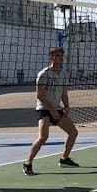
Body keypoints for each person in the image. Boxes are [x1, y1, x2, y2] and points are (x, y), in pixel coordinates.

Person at [23, 47, 79, 175]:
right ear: (51, 57)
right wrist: (52, 109)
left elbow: (64, 94)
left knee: (73, 132)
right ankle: (28, 163)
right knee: (43, 137)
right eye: (58, 55)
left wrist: (67, 106)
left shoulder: (64, 74)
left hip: (57, 108)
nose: (60, 58)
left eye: (61, 56)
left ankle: (64, 159)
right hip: (44, 108)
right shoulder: (43, 74)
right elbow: (40, 95)